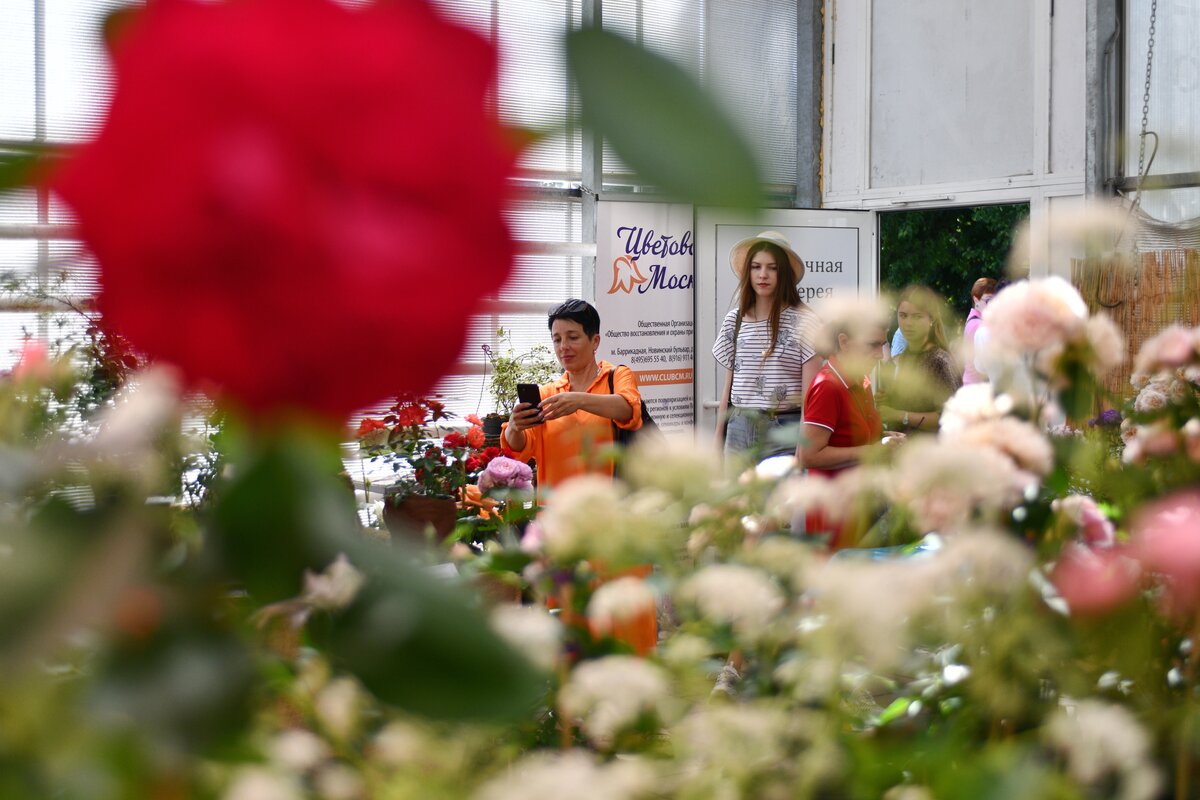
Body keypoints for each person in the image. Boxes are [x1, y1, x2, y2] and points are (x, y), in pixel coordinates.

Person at [503, 298, 643, 490]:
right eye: (557, 339)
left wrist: (578, 400)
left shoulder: (618, 375)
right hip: (557, 512)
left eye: (573, 337)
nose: (563, 347)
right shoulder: (547, 394)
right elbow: (520, 450)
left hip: (608, 511)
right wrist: (514, 427)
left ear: (595, 341)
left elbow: (629, 409)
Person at [799, 306, 903, 547]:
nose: (880, 354)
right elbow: (809, 455)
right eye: (872, 345)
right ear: (844, 343)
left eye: (883, 344)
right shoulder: (828, 386)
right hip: (834, 516)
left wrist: (887, 438)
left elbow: (853, 436)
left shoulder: (862, 380)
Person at [712, 231, 820, 458]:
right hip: (739, 425)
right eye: (756, 267)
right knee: (738, 493)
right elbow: (729, 388)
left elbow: (811, 395)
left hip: (783, 428)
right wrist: (717, 439)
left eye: (773, 268)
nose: (763, 275)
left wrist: (804, 446)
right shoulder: (735, 319)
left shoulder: (806, 321)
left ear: (785, 274)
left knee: (779, 494)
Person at [876, 285, 960, 433]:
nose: (908, 323)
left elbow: (951, 417)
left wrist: (898, 415)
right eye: (903, 315)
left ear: (931, 319)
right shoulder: (900, 359)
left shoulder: (940, 361)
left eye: (917, 316)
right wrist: (889, 400)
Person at [962, 277, 998, 385]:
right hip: (976, 387)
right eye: (988, 300)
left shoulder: (975, 318)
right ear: (976, 300)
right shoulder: (978, 325)